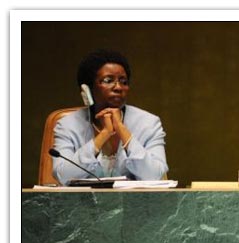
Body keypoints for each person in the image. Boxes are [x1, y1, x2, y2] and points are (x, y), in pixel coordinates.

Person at [52, 49, 168, 185]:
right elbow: (63, 176)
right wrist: (104, 134)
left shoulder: (149, 123)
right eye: (108, 80)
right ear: (87, 89)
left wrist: (121, 130)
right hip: (83, 199)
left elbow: (154, 175)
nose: (118, 87)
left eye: (124, 82)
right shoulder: (67, 125)